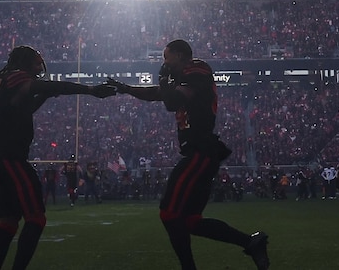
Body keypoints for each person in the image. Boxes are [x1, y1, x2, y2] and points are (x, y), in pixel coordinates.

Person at [107, 39, 270, 270]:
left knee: (168, 213)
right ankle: (251, 242)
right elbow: (159, 94)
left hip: (200, 152)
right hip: (201, 152)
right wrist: (127, 89)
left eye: (167, 57)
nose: (164, 62)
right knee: (191, 221)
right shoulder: (185, 76)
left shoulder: (197, 69)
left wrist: (163, 79)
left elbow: (171, 102)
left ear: (181, 55)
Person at [0, 46, 115, 270]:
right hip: (11, 158)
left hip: (2, 157)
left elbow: (25, 109)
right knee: (36, 218)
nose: (39, 67)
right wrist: (90, 90)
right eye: (36, 63)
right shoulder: (16, 76)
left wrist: (44, 96)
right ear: (25, 62)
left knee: (8, 222)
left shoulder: (8, 80)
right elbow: (51, 85)